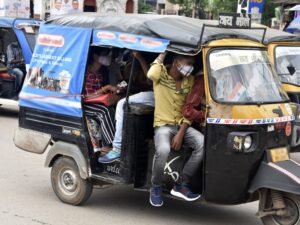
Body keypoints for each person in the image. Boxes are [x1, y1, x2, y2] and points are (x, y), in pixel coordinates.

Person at [147, 52, 204, 207]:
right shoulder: (161, 76)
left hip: (181, 126)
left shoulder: (190, 81)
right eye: (187, 63)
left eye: (192, 64)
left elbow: (189, 108)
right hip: (163, 126)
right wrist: (163, 53)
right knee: (163, 150)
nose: (190, 68)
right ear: (176, 62)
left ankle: (181, 184)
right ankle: (156, 187)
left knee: (202, 144)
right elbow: (151, 73)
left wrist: (181, 132)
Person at [98, 51, 153, 163]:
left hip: (151, 93)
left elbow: (149, 81)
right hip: (134, 92)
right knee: (112, 106)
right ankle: (111, 144)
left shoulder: (149, 64)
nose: (132, 54)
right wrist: (117, 87)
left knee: (121, 104)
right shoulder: (130, 65)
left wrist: (140, 58)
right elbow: (126, 82)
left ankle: (117, 148)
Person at [84, 48, 123, 155]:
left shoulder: (101, 74)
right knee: (104, 111)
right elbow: (86, 97)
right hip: (85, 104)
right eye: (104, 54)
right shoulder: (86, 73)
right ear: (95, 57)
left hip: (96, 102)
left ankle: (117, 142)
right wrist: (105, 88)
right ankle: (107, 146)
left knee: (116, 108)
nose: (107, 57)